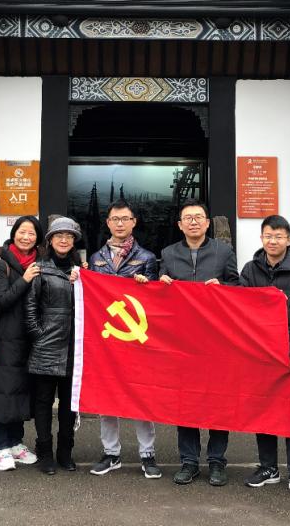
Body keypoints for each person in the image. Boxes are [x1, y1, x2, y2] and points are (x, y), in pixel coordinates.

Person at [159, 199, 239, 487]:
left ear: (207, 223)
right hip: (182, 341)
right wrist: (160, 284)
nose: (193, 222)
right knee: (186, 402)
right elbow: (158, 293)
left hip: (217, 340)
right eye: (187, 218)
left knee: (218, 400)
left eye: (198, 217)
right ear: (180, 225)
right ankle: (189, 461)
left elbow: (238, 287)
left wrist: (223, 288)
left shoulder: (223, 251)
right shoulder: (168, 253)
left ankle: (217, 461)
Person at [240, 214, 290, 499]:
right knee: (263, 410)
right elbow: (240, 306)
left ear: (289, 239)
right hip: (260, 354)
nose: (273, 241)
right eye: (268, 236)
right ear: (262, 238)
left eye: (278, 236)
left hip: (288, 355)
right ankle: (268, 467)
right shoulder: (251, 268)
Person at [87, 199, 161, 479]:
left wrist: (147, 285)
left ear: (133, 222)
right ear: (108, 223)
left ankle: (148, 453)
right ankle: (111, 453)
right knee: (107, 396)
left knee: (142, 395)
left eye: (125, 219)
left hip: (136, 338)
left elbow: (154, 300)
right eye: (115, 219)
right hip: (107, 337)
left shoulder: (147, 258)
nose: (120, 223)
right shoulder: (96, 258)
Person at [0, 216, 43, 472]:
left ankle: (16, 443)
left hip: (29, 340)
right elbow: (1, 301)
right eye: (22, 232)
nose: (26, 237)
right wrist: (24, 279)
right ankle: (0, 447)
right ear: (14, 234)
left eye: (31, 233)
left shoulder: (40, 263)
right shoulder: (1, 263)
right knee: (2, 393)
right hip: (5, 339)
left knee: (21, 393)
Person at [26, 216, 82, 475]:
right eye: (59, 236)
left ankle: (65, 451)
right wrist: (39, 335)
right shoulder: (40, 269)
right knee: (43, 403)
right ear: (49, 240)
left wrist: (81, 281)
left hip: (73, 348)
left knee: (69, 404)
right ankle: (45, 451)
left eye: (69, 236)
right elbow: (30, 308)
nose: (64, 240)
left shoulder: (81, 272)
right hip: (46, 346)